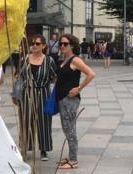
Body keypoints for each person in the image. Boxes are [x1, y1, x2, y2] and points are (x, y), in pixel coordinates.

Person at [55, 34, 95, 169]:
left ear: (72, 45)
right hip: (62, 99)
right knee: (67, 128)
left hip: (70, 100)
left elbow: (91, 74)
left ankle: (73, 160)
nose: (62, 46)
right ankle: (71, 156)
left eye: (65, 44)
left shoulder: (75, 60)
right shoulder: (65, 59)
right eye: (61, 43)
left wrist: (79, 88)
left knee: (70, 129)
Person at [15, 35, 56, 161]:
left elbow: (54, 77)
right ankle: (26, 148)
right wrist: (15, 94)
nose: (34, 45)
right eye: (33, 43)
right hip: (27, 94)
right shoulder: (24, 59)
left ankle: (44, 150)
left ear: (44, 46)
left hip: (43, 93)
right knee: (26, 121)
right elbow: (19, 78)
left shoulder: (49, 60)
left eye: (37, 43)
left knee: (44, 122)